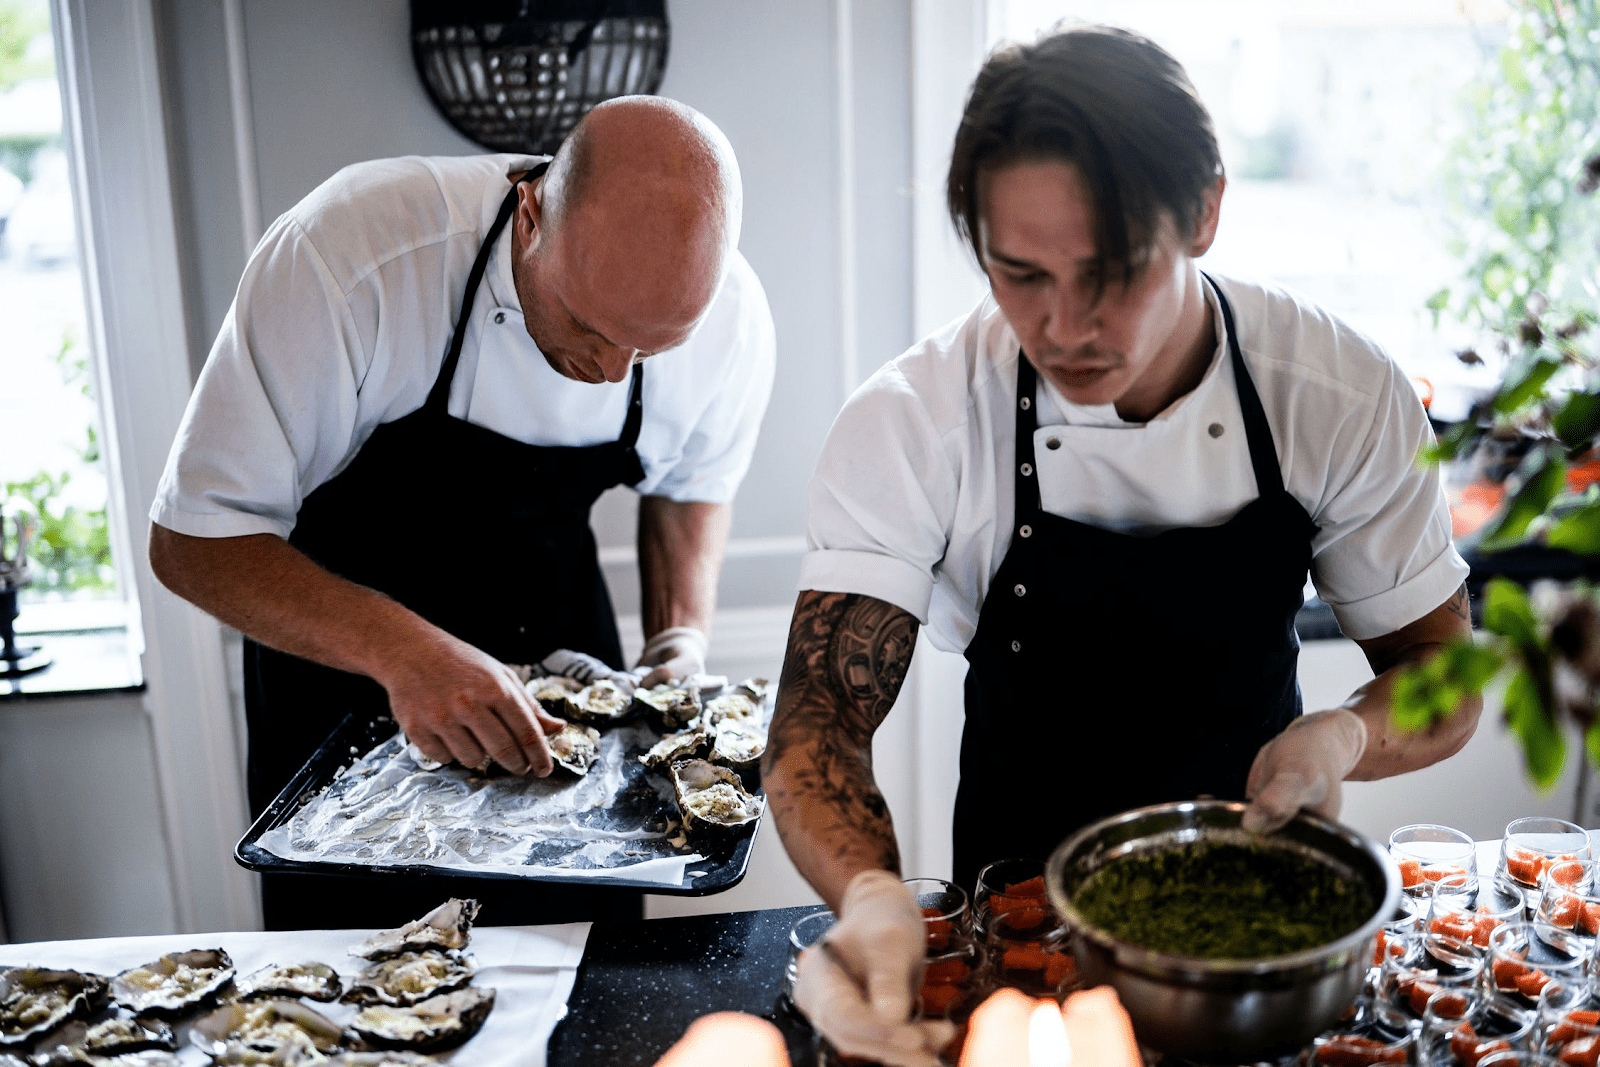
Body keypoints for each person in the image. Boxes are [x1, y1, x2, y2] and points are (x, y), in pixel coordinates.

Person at [766, 26, 1480, 1066]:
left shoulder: (1331, 389)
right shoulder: (915, 418)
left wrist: (1343, 736)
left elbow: (1443, 672)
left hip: (1250, 947)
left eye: (1109, 271)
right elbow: (815, 721)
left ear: (1203, 213)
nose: (1064, 327)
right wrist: (873, 899)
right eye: (1020, 273)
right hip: (1017, 944)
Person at [149, 96, 775, 929]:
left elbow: (691, 482)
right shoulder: (350, 257)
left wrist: (678, 637)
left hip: (558, 635)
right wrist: (407, 655)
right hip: (347, 668)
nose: (611, 371)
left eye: (651, 348)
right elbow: (194, 540)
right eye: (589, 325)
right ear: (529, 214)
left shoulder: (732, 318)